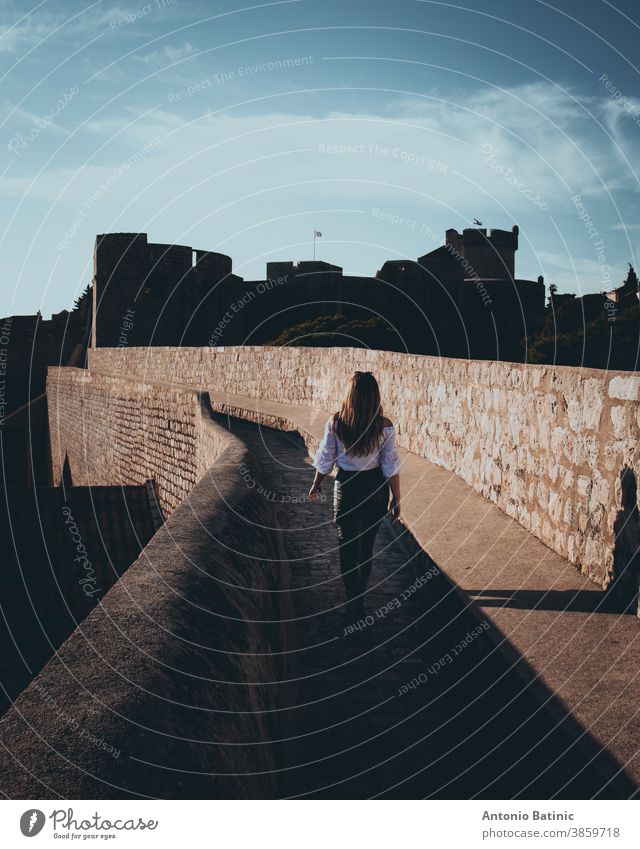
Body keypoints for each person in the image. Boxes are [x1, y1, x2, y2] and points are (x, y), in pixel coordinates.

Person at [308, 371, 401, 622]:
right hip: (375, 490)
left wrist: (316, 484)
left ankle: (353, 601)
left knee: (347, 548)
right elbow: (390, 465)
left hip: (347, 488)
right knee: (366, 548)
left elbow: (326, 458)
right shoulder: (385, 426)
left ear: (350, 395)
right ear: (375, 397)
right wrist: (397, 498)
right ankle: (358, 599)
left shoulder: (336, 422)